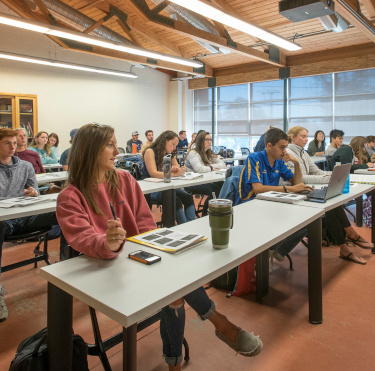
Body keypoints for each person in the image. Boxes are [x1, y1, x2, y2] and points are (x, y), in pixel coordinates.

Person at [56, 123, 262, 369]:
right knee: (175, 289)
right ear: (90, 151)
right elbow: (81, 238)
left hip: (140, 257)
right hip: (106, 271)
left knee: (174, 290)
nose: (116, 151)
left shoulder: (123, 179)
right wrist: (107, 243)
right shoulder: (70, 195)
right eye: (109, 145)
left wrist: (152, 244)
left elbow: (144, 221)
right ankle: (219, 322)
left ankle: (176, 360)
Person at [0, 128, 58, 323]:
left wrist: (32, 193)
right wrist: (21, 196)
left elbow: (33, 190)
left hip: (26, 217)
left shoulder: (26, 166)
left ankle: (70, 267)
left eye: (14, 142)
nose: (13, 147)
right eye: (7, 143)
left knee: (63, 211)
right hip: (1, 220)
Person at [287, 127, 371, 265]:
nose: (306, 139)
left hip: (307, 189)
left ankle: (346, 242)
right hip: (297, 192)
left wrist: (330, 175)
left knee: (332, 202)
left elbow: (316, 171)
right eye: (303, 136)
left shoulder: (303, 153)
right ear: (292, 137)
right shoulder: (289, 154)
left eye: (307, 136)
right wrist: (328, 179)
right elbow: (301, 179)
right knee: (329, 204)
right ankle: (349, 237)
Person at [237, 127, 312, 262]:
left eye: (286, 147)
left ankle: (277, 250)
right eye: (281, 147)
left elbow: (297, 183)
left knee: (309, 218)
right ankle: (270, 249)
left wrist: (295, 162)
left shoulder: (279, 161)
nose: (284, 151)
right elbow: (258, 189)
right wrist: (289, 189)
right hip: (251, 205)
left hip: (271, 203)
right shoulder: (254, 158)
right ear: (269, 146)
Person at [141, 131, 196, 224]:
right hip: (152, 188)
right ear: (165, 141)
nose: (174, 147)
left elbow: (179, 170)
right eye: (173, 144)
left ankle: (191, 223)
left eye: (176, 145)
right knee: (175, 200)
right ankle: (184, 225)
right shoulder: (150, 151)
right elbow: (153, 173)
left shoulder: (170, 154)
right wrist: (173, 174)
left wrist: (177, 170)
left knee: (188, 197)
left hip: (167, 186)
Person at [184, 131, 225, 201]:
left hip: (204, 180)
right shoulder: (193, 153)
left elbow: (223, 165)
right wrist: (211, 168)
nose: (209, 142)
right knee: (214, 189)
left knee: (224, 185)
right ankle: (207, 211)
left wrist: (210, 166)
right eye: (207, 140)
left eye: (210, 139)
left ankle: (212, 209)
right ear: (200, 141)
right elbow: (198, 169)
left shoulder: (208, 153)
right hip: (192, 183)